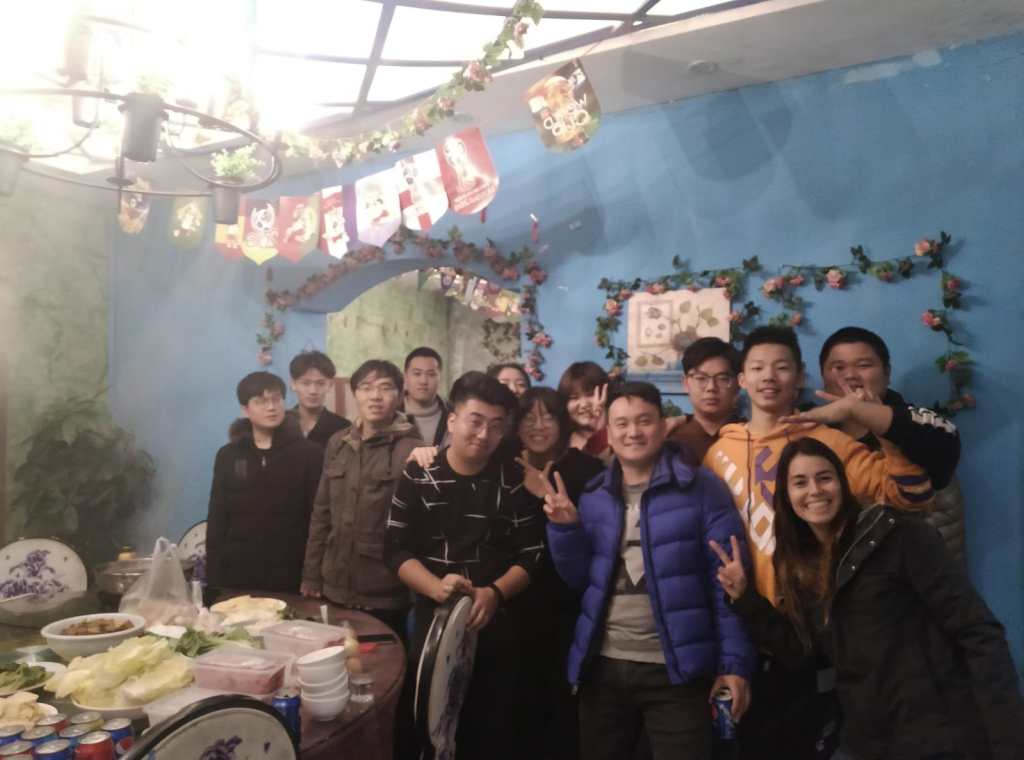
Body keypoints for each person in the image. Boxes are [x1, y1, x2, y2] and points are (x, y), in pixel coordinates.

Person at [702, 326, 934, 759]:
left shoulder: (827, 443)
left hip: (813, 635)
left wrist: (879, 422)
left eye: (781, 367)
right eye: (758, 368)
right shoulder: (719, 453)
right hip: (744, 628)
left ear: (799, 377)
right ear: (743, 379)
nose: (769, 377)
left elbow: (909, 494)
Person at [713, 437, 1024, 760]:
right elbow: (803, 652)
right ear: (786, 496)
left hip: (938, 733)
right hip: (867, 740)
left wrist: (1008, 743)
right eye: (800, 482)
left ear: (842, 483)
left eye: (824, 477)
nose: (815, 491)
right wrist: (745, 598)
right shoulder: (801, 569)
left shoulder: (900, 536)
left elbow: (978, 632)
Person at [545, 381, 755, 760]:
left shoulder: (702, 489)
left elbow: (728, 586)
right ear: (609, 432)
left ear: (662, 426)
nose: (633, 432)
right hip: (603, 669)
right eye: (622, 423)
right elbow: (579, 580)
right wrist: (565, 530)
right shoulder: (594, 495)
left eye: (644, 421)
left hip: (678, 672)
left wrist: (734, 665)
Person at [384, 371, 545, 760]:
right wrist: (436, 587)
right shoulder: (419, 472)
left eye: (496, 425)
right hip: (432, 621)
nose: (484, 434)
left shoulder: (513, 478)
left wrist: (494, 593)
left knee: (490, 731)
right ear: (453, 420)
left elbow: (533, 553)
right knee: (427, 730)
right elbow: (394, 549)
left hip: (495, 624)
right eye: (475, 421)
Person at [816, 326, 965, 561]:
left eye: (864, 365)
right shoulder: (810, 433)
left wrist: (874, 416)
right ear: (823, 377)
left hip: (920, 572)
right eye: (838, 367)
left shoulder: (917, 427)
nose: (850, 375)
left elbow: (948, 442)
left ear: (887, 373)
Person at [514, 386, 605, 760]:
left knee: (564, 710)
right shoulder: (503, 467)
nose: (538, 425)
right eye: (529, 417)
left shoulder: (586, 469)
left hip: (568, 608)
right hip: (511, 607)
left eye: (548, 416)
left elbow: (601, 539)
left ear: (563, 422)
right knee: (516, 709)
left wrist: (565, 514)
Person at [300, 360, 422, 635]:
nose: (375, 396)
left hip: (384, 592)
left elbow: (420, 529)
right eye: (366, 388)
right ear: (355, 394)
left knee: (384, 658)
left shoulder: (412, 449)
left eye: (385, 388)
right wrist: (311, 574)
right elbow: (321, 513)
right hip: (333, 585)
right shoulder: (338, 442)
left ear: (400, 396)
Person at [206, 372, 324, 593]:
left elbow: (318, 518)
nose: (271, 407)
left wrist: (313, 574)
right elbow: (217, 517)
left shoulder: (310, 454)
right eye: (261, 401)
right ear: (245, 409)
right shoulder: (228, 455)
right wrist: (213, 578)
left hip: (291, 570)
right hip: (238, 570)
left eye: (276, 399)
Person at [666, 337, 745, 464]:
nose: (711, 387)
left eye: (722, 378)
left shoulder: (749, 436)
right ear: (685, 383)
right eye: (701, 378)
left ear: (738, 384)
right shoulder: (670, 440)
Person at [288, 350, 350, 448]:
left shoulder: (344, 428)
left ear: (330, 385)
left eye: (320, 383)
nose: (313, 391)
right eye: (306, 383)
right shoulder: (279, 423)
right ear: (293, 384)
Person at [557, 360, 611, 460]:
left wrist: (601, 430)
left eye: (590, 394)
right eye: (574, 398)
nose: (584, 404)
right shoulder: (559, 442)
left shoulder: (623, 434)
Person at [400, 346, 449, 447]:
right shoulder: (390, 412)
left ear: (440, 379)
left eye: (431, 374)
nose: (423, 381)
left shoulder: (452, 414)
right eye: (417, 374)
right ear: (405, 377)